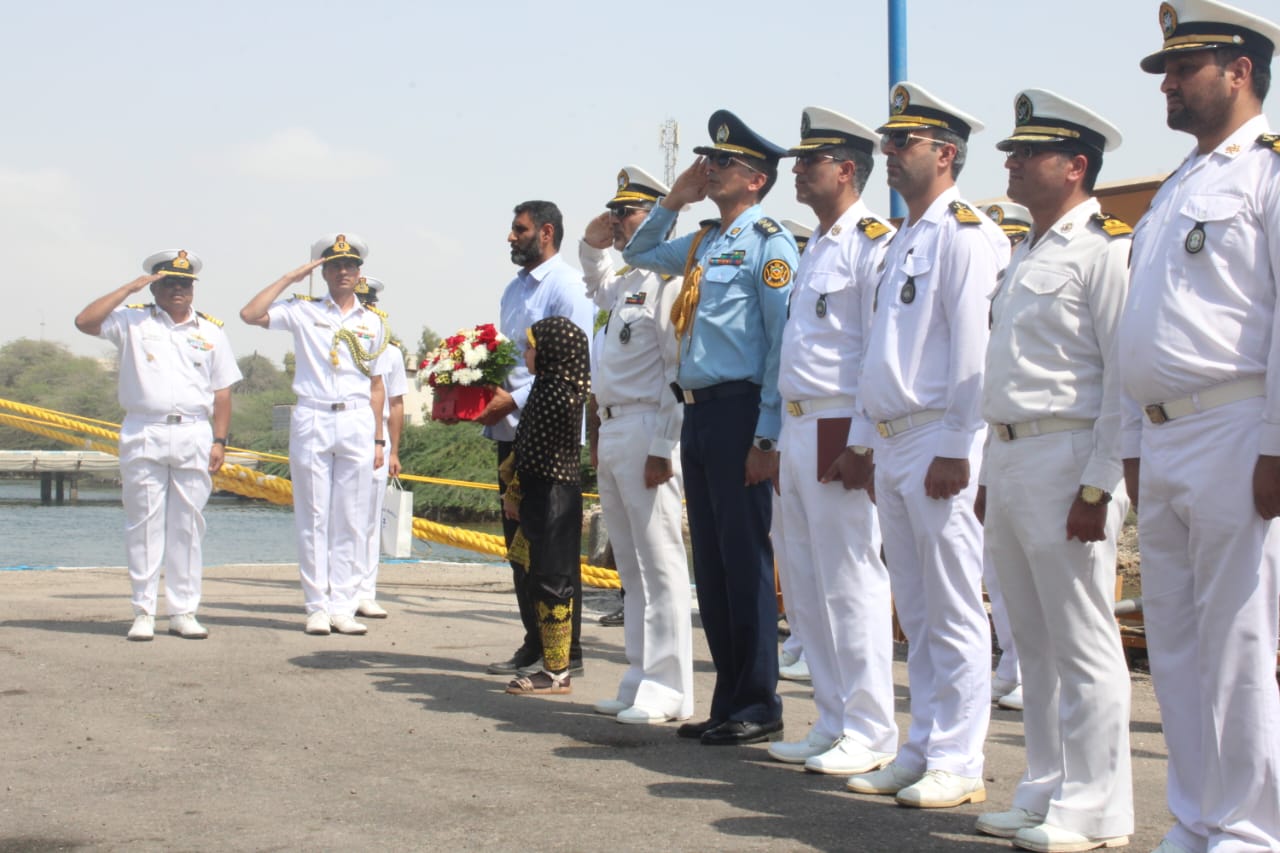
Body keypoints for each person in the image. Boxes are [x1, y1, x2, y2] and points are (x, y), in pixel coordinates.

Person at [1119, 2, 1280, 850]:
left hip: (1234, 426)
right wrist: (1131, 441)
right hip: (1165, 434)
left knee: (1238, 641)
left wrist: (1277, 445)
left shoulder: (1267, 173)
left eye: (1184, 69)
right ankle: (1195, 817)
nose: (1168, 85)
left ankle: (1251, 830)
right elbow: (1138, 329)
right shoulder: (1175, 186)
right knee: (1177, 644)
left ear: (1240, 70)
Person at [974, 89, 1135, 853]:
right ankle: (1046, 785)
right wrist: (989, 470)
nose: (1011, 162)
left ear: (1075, 166)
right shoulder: (1028, 252)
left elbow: (1123, 378)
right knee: (1032, 643)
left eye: (1028, 152)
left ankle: (1097, 806)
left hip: (1068, 457)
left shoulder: (1104, 251)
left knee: (1082, 640)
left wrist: (1100, 483)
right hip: (1012, 455)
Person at [846, 83, 1008, 807]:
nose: (888, 151)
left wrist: (956, 444)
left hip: (938, 433)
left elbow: (974, 349)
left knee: (952, 607)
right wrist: (862, 440)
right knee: (914, 608)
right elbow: (877, 352)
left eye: (902, 141)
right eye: (887, 140)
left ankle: (959, 758)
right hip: (893, 439)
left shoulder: (965, 235)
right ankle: (922, 745)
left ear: (945, 153)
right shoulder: (901, 238)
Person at [623, 109, 798, 746]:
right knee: (715, 564)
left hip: (740, 410)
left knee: (746, 560)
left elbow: (780, 346)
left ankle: (759, 701)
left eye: (724, 162)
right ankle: (729, 699)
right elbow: (638, 252)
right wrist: (673, 200)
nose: (712, 168)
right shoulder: (702, 242)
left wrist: (766, 437)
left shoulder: (770, 243)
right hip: (697, 412)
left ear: (756, 179)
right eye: (710, 159)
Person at [763, 107, 899, 777]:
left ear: (846, 170)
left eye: (809, 161)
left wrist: (863, 440)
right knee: (807, 582)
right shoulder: (814, 244)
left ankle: (871, 727)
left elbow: (878, 349)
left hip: (840, 423)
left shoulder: (873, 244)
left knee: (850, 579)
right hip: (797, 423)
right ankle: (832, 717)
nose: (797, 171)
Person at [75, 250, 241, 641]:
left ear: (193, 288)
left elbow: (222, 392)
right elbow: (85, 322)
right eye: (169, 283)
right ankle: (144, 610)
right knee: (144, 524)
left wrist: (220, 440)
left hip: (193, 432)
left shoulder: (211, 331)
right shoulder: (132, 321)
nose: (178, 289)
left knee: (188, 526)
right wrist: (129, 288)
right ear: (154, 287)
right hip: (144, 429)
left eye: (185, 283)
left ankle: (183, 611)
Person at [580, 165, 694, 724]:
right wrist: (589, 243)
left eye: (627, 212)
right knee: (630, 564)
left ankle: (669, 685)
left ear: (657, 217)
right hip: (614, 426)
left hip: (649, 425)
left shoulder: (669, 281)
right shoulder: (629, 281)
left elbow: (677, 374)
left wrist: (663, 446)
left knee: (660, 563)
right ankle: (639, 675)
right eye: (616, 212)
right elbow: (596, 282)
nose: (618, 221)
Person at [239, 233, 389, 636]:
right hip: (313, 415)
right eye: (335, 266)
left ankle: (343, 606)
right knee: (314, 516)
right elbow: (250, 314)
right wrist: (291, 277)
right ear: (322, 272)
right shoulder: (302, 310)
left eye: (350, 266)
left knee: (351, 518)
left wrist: (378, 438)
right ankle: (317, 606)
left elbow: (376, 385)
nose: (343, 272)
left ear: (359, 272)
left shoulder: (373, 322)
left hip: (356, 418)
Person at [476, 201, 594, 677]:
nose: (511, 237)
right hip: (512, 436)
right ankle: (535, 642)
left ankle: (567, 652)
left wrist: (514, 400)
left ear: (546, 232)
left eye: (519, 229)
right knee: (520, 549)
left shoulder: (568, 287)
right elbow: (508, 359)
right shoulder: (513, 290)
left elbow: (576, 364)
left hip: (551, 439)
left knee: (553, 553)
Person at [502, 316, 591, 696]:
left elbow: (533, 451)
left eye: (531, 347)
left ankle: (557, 672)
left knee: (553, 582)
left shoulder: (558, 394)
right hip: (543, 493)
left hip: (552, 495)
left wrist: (513, 491)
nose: (526, 354)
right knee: (541, 578)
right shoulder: (548, 386)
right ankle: (554, 664)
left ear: (552, 351)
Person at [979, 199, 1031, 714]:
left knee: (1025, 566)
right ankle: (1012, 662)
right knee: (996, 566)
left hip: (1018, 430)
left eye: (1014, 240)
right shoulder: (1002, 287)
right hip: (993, 430)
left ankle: (1024, 666)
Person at [353, 276, 407, 619]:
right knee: (337, 516)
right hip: (345, 428)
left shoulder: (390, 351)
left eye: (368, 304)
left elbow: (396, 403)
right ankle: (335, 589)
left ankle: (364, 591)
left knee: (371, 520)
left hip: (378, 439)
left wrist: (394, 451)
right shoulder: (337, 343)